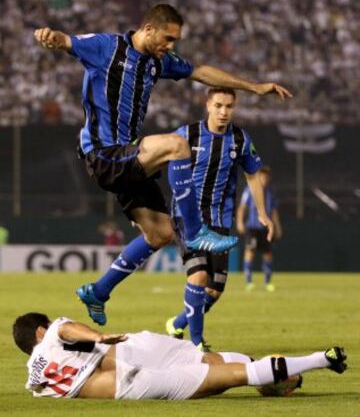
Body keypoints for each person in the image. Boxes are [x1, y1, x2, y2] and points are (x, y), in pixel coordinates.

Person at [34, 4, 292, 326]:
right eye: (168, 39)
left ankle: (98, 292)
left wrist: (253, 87)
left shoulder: (158, 64)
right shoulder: (107, 48)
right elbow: (67, 41)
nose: (171, 47)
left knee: (161, 233)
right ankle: (197, 233)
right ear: (149, 29)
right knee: (177, 144)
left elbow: (200, 71)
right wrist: (51, 36)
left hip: (128, 157)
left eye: (175, 41)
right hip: (104, 152)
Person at [13, 312, 347, 400]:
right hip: (133, 347)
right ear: (39, 332)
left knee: (225, 379)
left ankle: (320, 358)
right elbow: (67, 328)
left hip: (130, 383)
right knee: (214, 362)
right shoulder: (52, 334)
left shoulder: (35, 381)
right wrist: (97, 336)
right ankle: (275, 373)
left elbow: (65, 337)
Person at [165, 87, 274, 350]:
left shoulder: (240, 139)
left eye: (229, 106)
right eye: (218, 105)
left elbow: (253, 175)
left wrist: (261, 212)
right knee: (199, 276)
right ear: (207, 105)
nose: (224, 112)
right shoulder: (186, 135)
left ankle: (177, 323)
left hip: (219, 221)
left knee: (214, 290)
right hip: (187, 217)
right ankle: (196, 343)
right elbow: (155, 161)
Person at [237, 166, 283, 292]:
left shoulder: (271, 192)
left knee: (268, 254)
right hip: (252, 228)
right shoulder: (250, 190)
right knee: (250, 252)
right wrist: (240, 222)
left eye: (267, 176)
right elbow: (242, 207)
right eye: (263, 176)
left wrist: (277, 226)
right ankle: (249, 282)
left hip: (265, 228)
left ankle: (268, 282)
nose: (265, 178)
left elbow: (274, 211)